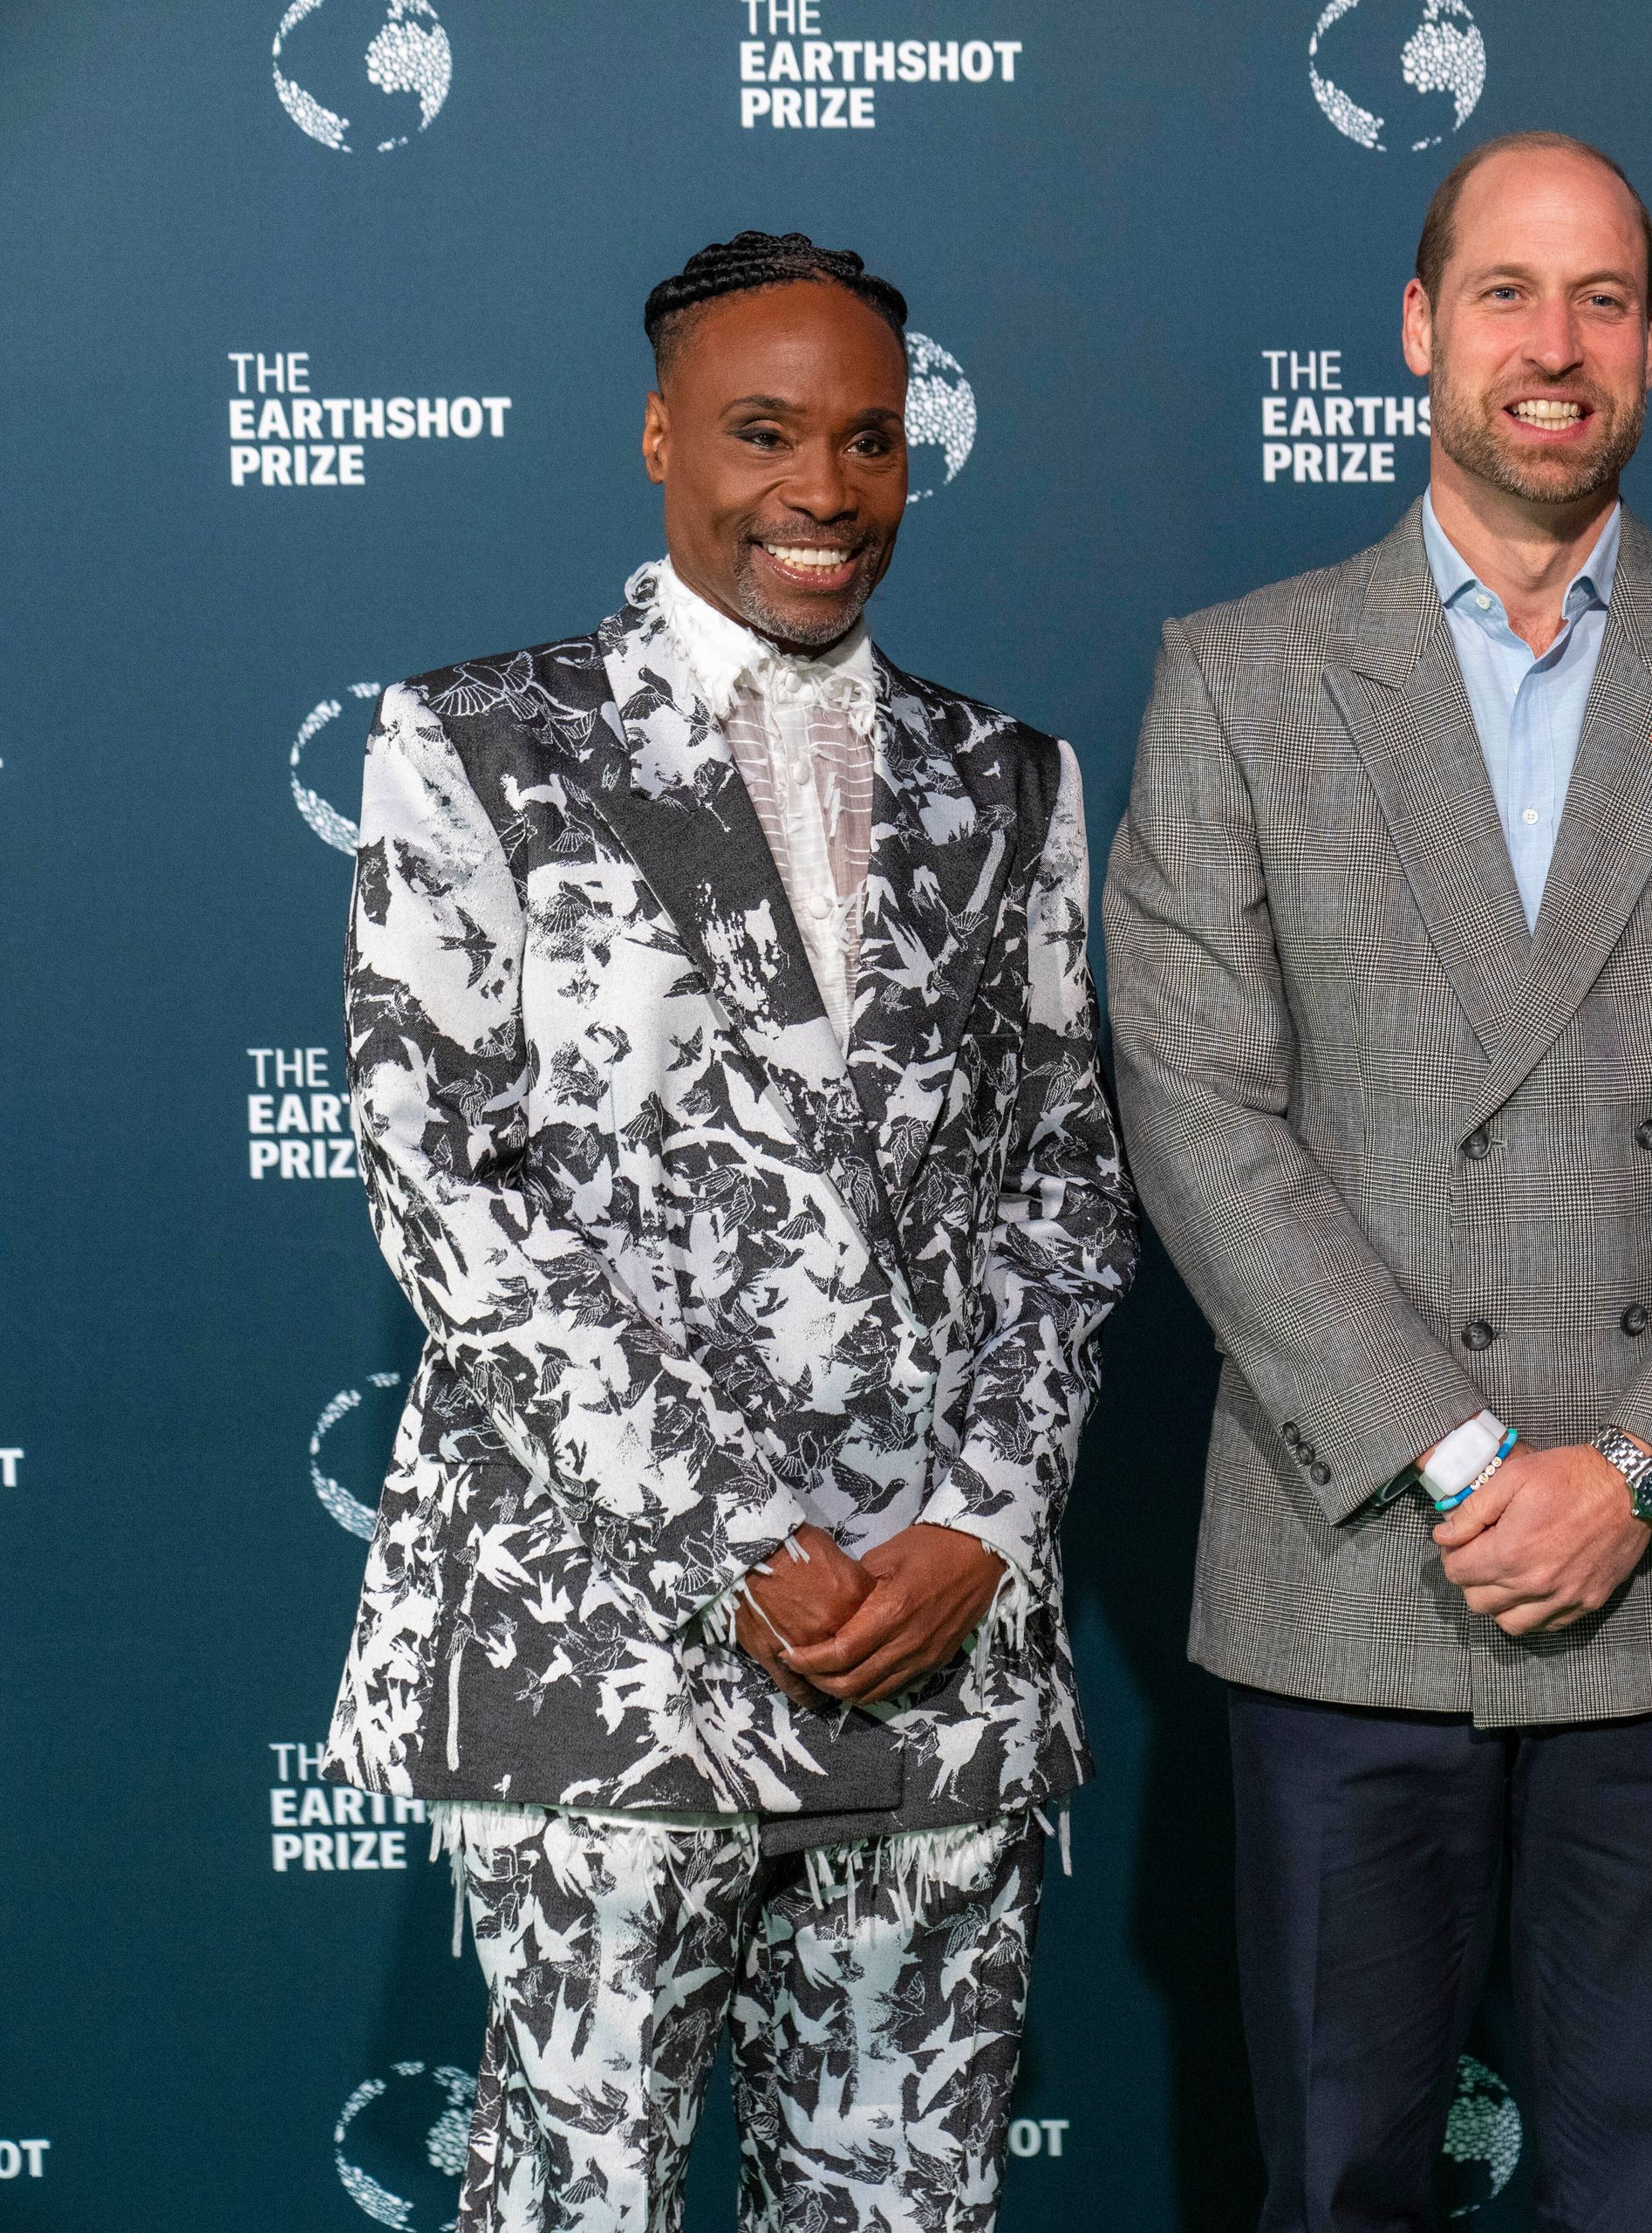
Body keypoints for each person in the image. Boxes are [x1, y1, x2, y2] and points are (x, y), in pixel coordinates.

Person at [1102, 131, 1652, 2233]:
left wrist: (1630, 1465)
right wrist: (1465, 1456)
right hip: (1355, 1555)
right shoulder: (1244, 671)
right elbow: (1198, 1105)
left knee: (1636, 2187)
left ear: (1651, 342)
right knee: (1342, 2179)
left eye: (1604, 300)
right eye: (1507, 295)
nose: (1555, 347)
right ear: (1418, 330)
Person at [326, 232, 1135, 2233]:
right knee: (575, 2201)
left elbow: (1063, 1179)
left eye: (871, 440)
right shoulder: (475, 742)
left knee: (904, 2206)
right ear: (662, 438)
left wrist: (985, 1522)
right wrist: (733, 1539)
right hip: (611, 1647)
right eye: (767, 432)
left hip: (938, 1654)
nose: (826, 489)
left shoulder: (1015, 778)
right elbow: (455, 1188)